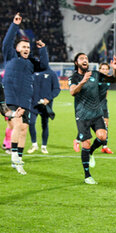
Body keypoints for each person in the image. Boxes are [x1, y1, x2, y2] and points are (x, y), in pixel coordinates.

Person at [2, 13, 48, 175]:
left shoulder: (31, 63)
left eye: (28, 47)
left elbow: (44, 66)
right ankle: (14, 154)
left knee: (23, 129)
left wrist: (43, 50)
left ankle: (18, 160)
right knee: (17, 123)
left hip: (25, 99)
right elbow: (6, 43)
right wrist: (15, 25)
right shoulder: (10, 57)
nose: (26, 49)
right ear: (17, 49)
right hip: (11, 96)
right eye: (23, 47)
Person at [69, 53, 116, 184]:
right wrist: (83, 80)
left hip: (96, 113)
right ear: (76, 63)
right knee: (86, 142)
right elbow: (72, 92)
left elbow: (113, 80)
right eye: (81, 59)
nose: (85, 60)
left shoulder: (95, 74)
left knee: (103, 137)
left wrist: (115, 69)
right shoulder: (74, 77)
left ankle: (90, 152)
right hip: (82, 115)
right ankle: (87, 176)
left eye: (86, 58)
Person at [73, 62, 115, 154]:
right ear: (99, 70)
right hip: (93, 106)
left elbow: (106, 91)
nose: (104, 70)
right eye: (102, 69)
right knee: (88, 125)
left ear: (108, 70)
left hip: (103, 104)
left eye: (106, 69)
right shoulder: (96, 79)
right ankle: (77, 140)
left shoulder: (107, 79)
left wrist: (104, 101)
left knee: (105, 126)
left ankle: (104, 147)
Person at [27, 67, 61, 154]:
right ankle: (34, 144)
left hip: (46, 105)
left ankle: (44, 146)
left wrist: (48, 99)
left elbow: (57, 89)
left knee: (45, 124)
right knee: (31, 123)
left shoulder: (52, 73)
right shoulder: (33, 72)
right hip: (33, 104)